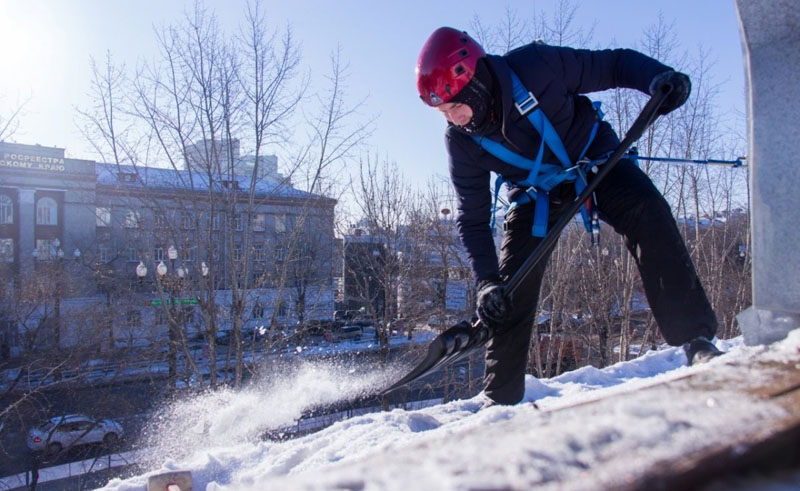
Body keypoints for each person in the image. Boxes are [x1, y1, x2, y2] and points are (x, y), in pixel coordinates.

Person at [416, 27, 723, 406]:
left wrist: (657, 79)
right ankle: (500, 397)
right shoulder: (461, 140)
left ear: (476, 83)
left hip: (592, 160)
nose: (454, 118)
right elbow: (473, 219)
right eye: (443, 113)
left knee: (648, 211)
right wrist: (486, 284)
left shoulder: (537, 67)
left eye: (456, 105)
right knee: (509, 289)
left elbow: (614, 65)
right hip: (535, 193)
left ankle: (696, 340)